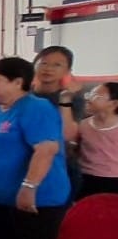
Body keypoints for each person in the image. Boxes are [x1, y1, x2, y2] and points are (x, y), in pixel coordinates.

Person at [0, 57, 70, 239]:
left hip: (35, 203)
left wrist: (29, 186)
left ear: (18, 82)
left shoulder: (36, 107)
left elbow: (46, 149)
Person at [33, 45, 85, 196]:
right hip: (25, 164)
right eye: (44, 63)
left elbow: (67, 134)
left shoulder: (73, 97)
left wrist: (65, 99)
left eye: (57, 65)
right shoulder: (22, 94)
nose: (48, 69)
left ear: (67, 71)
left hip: (61, 166)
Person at [77, 82, 118, 198]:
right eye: (89, 94)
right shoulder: (82, 125)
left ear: (114, 103)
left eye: (95, 96)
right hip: (86, 179)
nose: (89, 99)